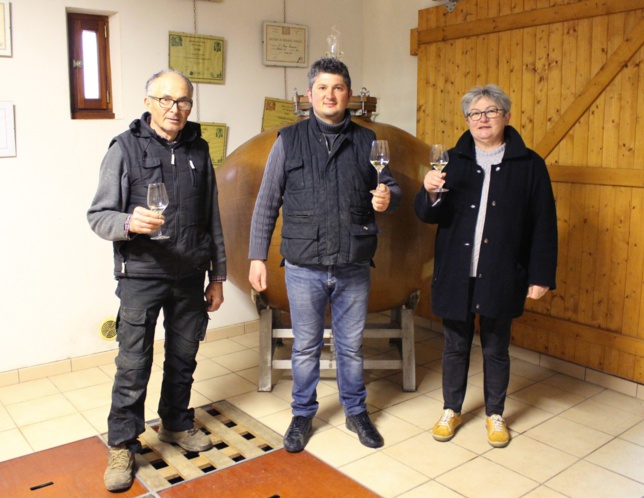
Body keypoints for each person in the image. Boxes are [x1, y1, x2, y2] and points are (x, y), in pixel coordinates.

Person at [248, 57, 401, 453]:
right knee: (304, 346)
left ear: (348, 95)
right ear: (309, 95)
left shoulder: (369, 141)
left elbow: (391, 189)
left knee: (351, 346)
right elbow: (267, 202)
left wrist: (387, 197)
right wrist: (256, 257)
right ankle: (302, 414)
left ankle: (355, 411)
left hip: (353, 263)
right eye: (322, 88)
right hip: (303, 265)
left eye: (337, 88)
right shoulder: (287, 140)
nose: (330, 95)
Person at [87, 70, 227, 491]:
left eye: (183, 101)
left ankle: (176, 423)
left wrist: (217, 275)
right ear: (148, 101)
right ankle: (122, 445)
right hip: (141, 277)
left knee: (184, 357)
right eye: (166, 100)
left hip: (188, 275)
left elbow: (212, 218)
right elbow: (98, 216)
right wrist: (130, 221)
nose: (175, 109)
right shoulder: (124, 149)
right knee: (133, 365)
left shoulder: (199, 150)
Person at [414, 84, 557, 448]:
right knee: (454, 345)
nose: (482, 119)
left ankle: (495, 414)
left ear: (506, 116)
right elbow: (428, 215)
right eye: (475, 113)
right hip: (457, 271)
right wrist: (429, 192)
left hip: (502, 271)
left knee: (496, 347)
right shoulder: (450, 159)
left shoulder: (530, 164)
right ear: (467, 120)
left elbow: (543, 223)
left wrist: (541, 275)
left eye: (490, 111)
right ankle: (451, 409)